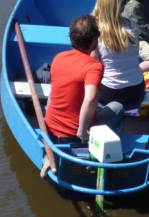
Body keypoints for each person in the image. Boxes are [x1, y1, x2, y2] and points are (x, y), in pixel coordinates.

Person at [44, 14, 124, 145]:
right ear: (93, 41)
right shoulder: (94, 66)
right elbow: (90, 98)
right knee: (117, 107)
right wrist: (81, 132)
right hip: (75, 136)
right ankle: (107, 146)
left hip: (51, 131)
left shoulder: (58, 58)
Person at [91, 0, 146, 106]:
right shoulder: (132, 25)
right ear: (120, 7)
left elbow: (94, 64)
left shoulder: (95, 30)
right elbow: (136, 54)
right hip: (137, 88)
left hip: (109, 92)